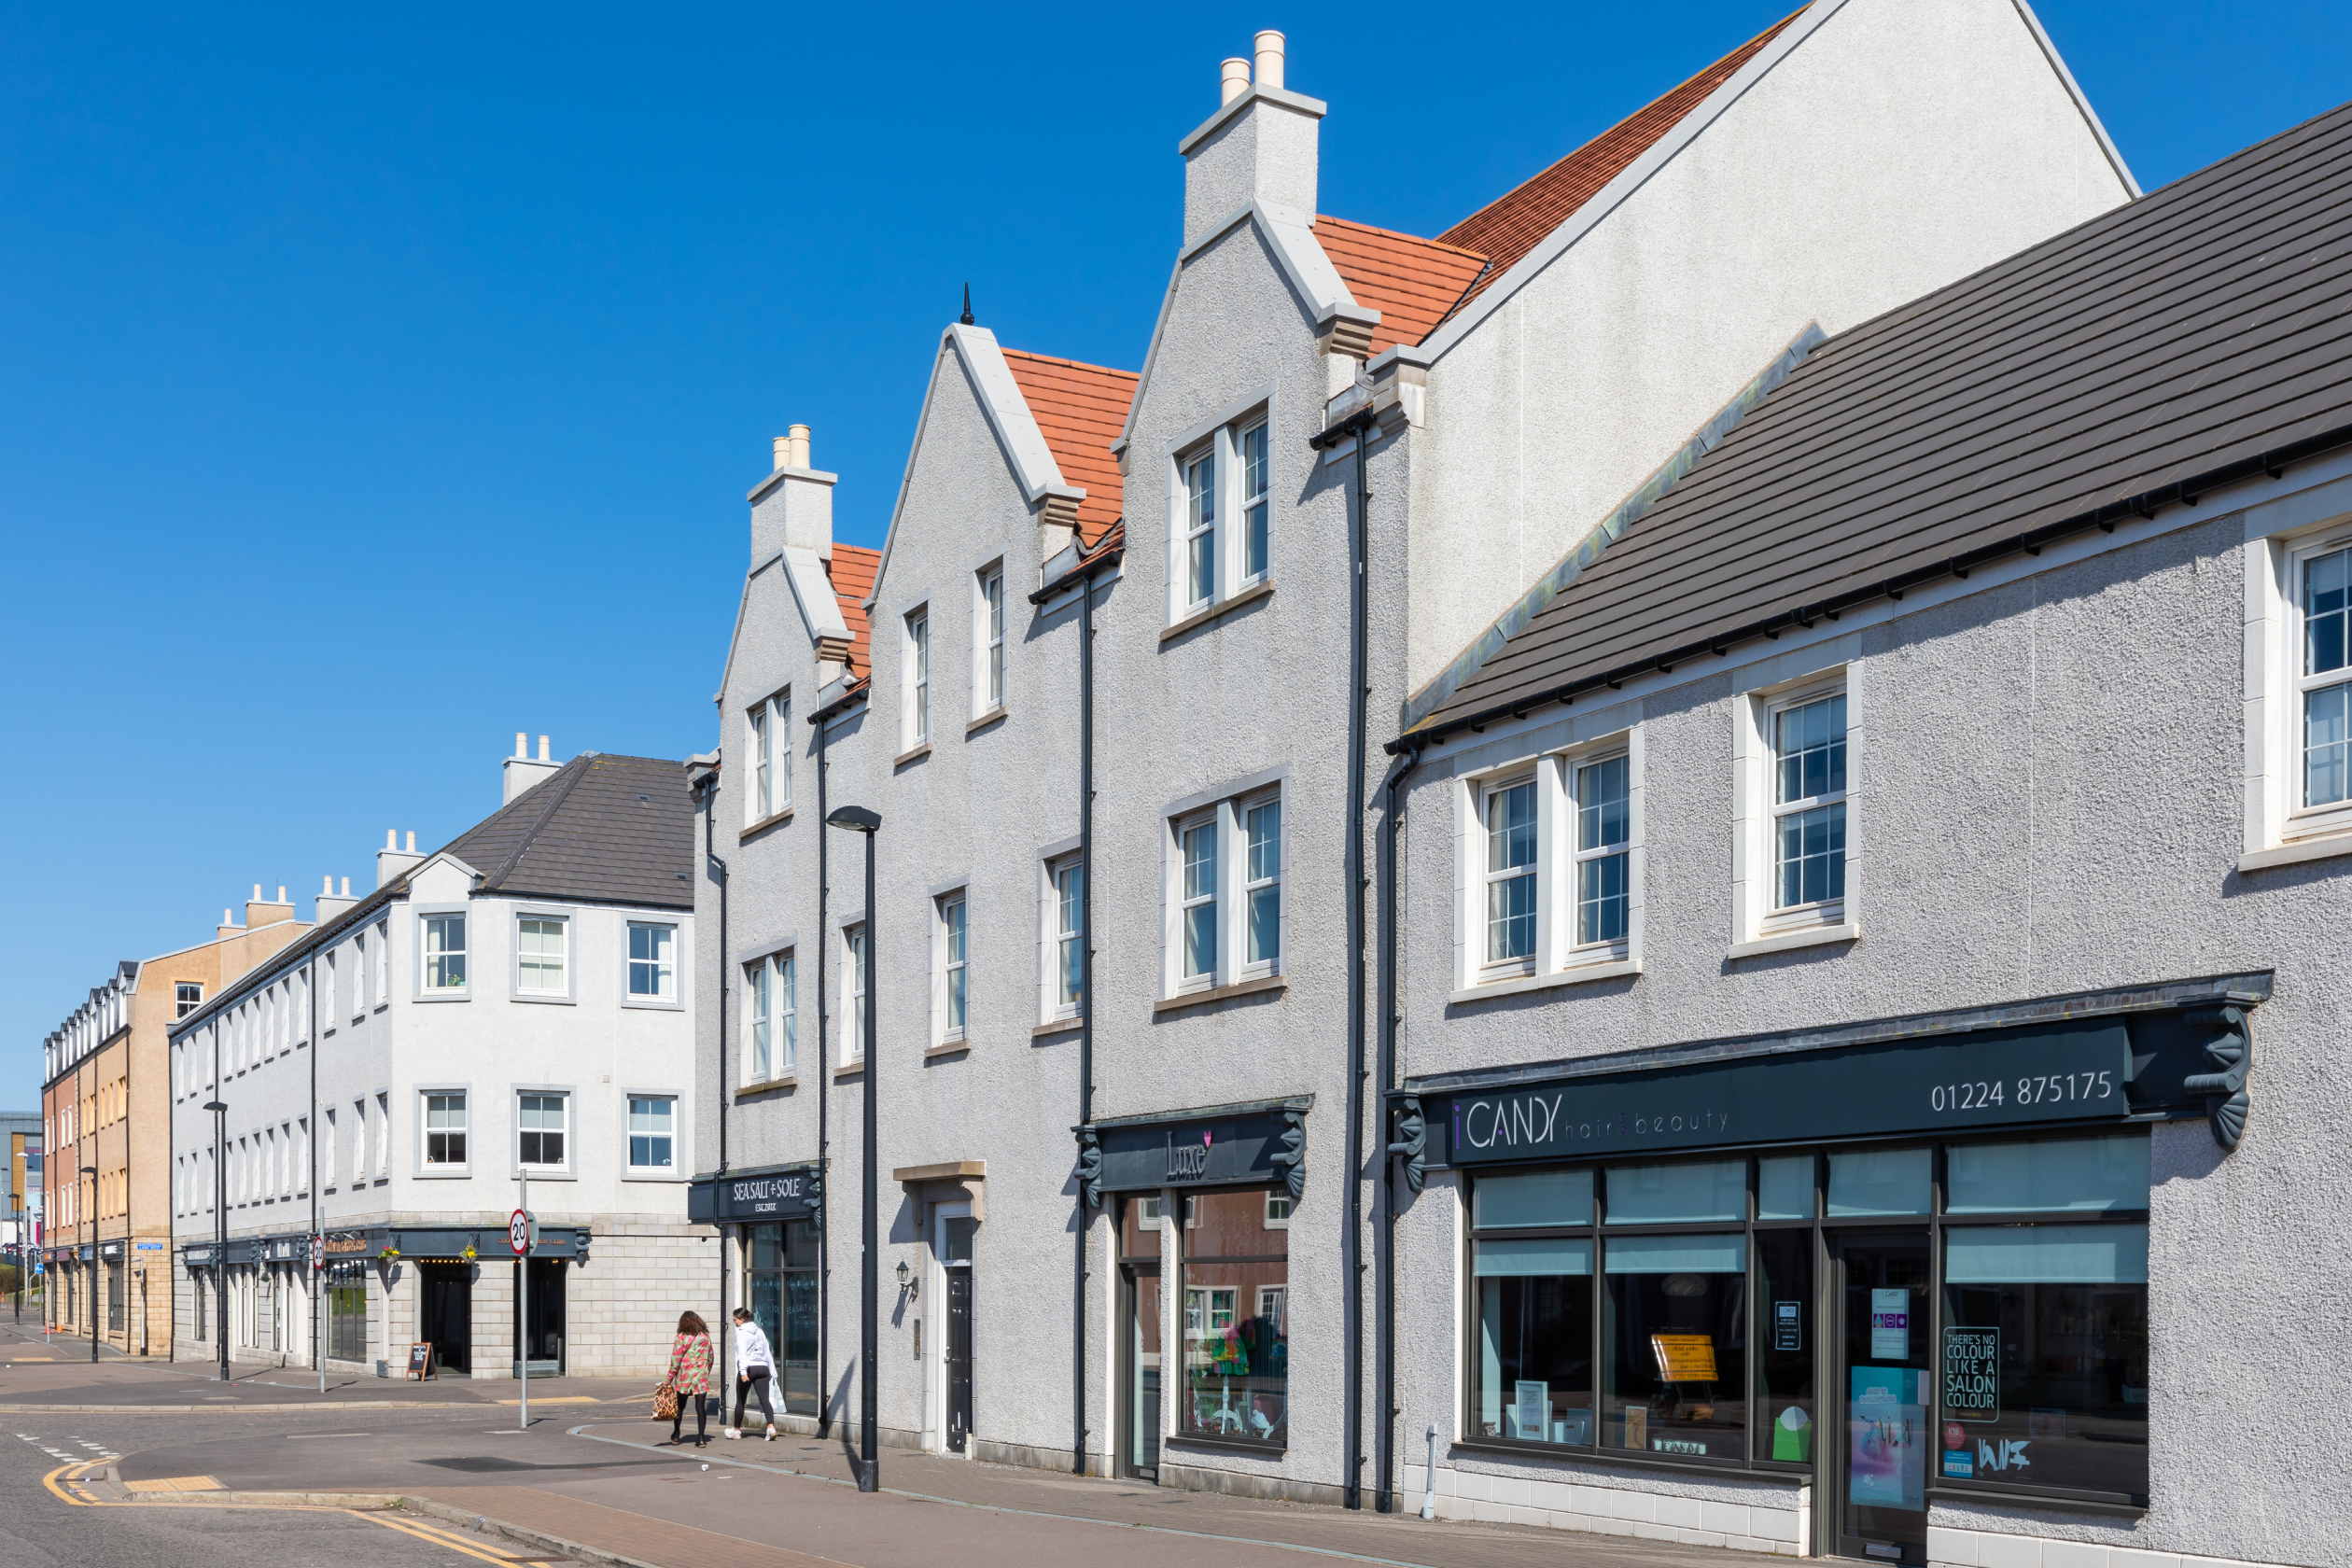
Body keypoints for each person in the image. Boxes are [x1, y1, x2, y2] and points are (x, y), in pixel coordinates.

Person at [663, 1310, 714, 1447]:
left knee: (680, 1406)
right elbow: (710, 1357)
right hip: (701, 1376)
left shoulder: (681, 1338)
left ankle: (676, 1434)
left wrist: (668, 1378)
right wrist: (706, 1371)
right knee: (700, 1407)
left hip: (684, 1377)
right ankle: (701, 1438)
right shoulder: (705, 1337)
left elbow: (676, 1359)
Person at [726, 1307, 778, 1441]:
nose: (734, 1322)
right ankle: (770, 1428)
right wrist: (772, 1371)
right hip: (763, 1368)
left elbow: (742, 1354)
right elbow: (767, 1351)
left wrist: (743, 1372)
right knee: (765, 1399)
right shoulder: (760, 1331)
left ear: (742, 1320)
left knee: (741, 1401)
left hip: (749, 1368)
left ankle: (736, 1431)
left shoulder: (742, 1333)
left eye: (735, 1319)